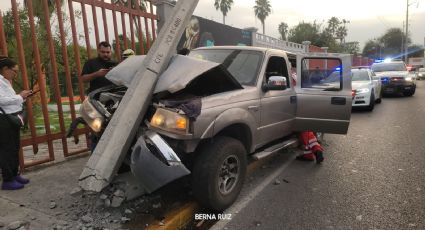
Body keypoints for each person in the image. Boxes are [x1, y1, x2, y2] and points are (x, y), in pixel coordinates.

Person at [0, 56, 32, 190]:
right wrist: (20, 96)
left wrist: (22, 97)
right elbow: (1, 100)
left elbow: (9, 99)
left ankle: (14, 174)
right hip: (4, 119)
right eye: (14, 71)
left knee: (14, 147)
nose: (15, 74)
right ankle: (7, 180)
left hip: (11, 118)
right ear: (5, 69)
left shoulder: (5, 81)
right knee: (7, 149)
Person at [81, 41, 117, 152]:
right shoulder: (91, 63)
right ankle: (95, 154)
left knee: (112, 128)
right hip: (96, 102)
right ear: (98, 51)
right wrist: (97, 74)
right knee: (97, 129)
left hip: (113, 101)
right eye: (103, 52)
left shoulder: (115, 63)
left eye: (108, 52)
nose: (106, 54)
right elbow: (83, 79)